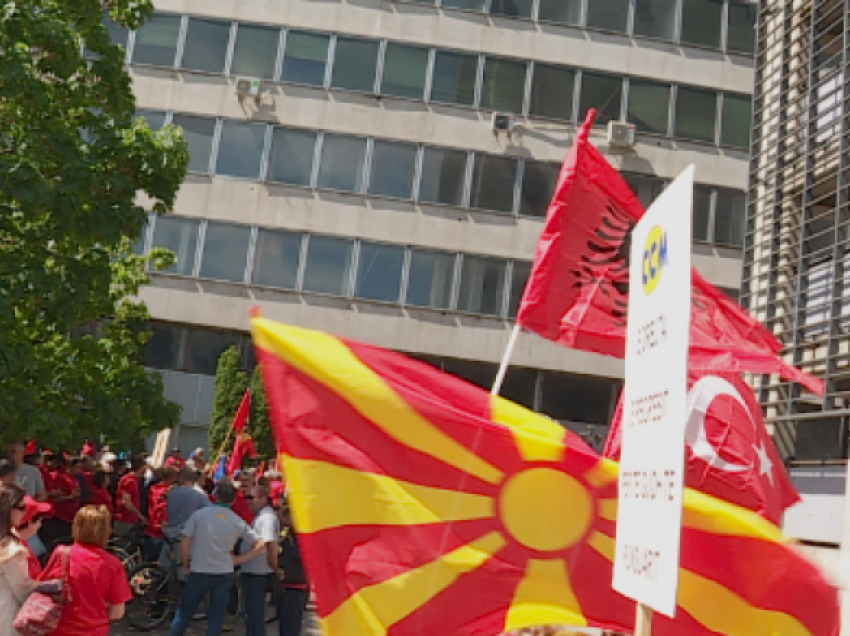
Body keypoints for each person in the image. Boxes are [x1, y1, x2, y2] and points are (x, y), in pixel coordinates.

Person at [170, 478, 264, 636]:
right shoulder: (236, 521)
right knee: (216, 618)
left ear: (216, 496)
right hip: (224, 572)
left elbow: (185, 544)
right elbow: (260, 544)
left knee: (184, 613)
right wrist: (239, 560)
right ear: (233, 500)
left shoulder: (199, 515)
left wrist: (186, 563)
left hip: (199, 570)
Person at [40, 505, 132, 636]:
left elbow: (41, 587)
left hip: (58, 629)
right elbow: (117, 613)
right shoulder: (113, 564)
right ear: (106, 531)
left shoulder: (60, 553)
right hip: (94, 631)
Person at [239, 484, 280, 636]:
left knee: (255, 615)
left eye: (251, 498)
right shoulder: (260, 516)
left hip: (258, 572)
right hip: (252, 571)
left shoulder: (267, 518)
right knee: (250, 614)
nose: (248, 502)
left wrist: (274, 567)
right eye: (246, 498)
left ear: (263, 499)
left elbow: (270, 544)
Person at [0, 484, 38, 636]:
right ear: (8, 509)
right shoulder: (10, 547)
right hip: (6, 617)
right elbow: (23, 589)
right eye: (22, 507)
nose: (25, 512)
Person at [277, 496, 307, 636]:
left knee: (293, 624)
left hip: (296, 584)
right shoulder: (287, 533)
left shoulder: (301, 536)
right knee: (284, 623)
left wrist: (283, 543)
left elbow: (298, 555)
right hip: (285, 583)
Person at [43, 454, 80, 549]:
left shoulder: (75, 479)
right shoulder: (58, 477)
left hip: (71, 517)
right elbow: (52, 498)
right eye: (77, 467)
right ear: (69, 466)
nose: (79, 469)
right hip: (60, 517)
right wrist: (69, 497)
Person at [165, 467, 211, 538]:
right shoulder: (199, 496)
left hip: (170, 535)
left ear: (180, 478)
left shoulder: (171, 494)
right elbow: (210, 513)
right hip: (187, 538)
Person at [15, 495, 51, 578]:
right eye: (39, 520)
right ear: (29, 521)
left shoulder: (22, 542)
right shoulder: (13, 551)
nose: (40, 524)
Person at [114, 456, 147, 538]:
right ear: (142, 467)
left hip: (130, 519)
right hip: (125, 520)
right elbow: (126, 502)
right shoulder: (130, 481)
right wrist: (140, 516)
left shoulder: (133, 480)